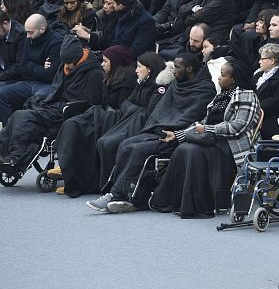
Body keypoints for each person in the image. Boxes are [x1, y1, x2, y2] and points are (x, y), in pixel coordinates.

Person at [87, 53, 217, 213]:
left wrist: (174, 131)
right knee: (125, 144)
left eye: (177, 67)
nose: (173, 71)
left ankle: (115, 195)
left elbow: (193, 115)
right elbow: (162, 110)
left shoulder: (205, 89)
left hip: (177, 136)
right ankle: (124, 192)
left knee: (139, 150)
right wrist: (157, 127)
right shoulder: (177, 84)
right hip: (159, 130)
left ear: (189, 69)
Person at [149, 58, 261, 218]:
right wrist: (178, 134)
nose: (219, 78)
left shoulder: (247, 97)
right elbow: (204, 121)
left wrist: (208, 129)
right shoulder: (221, 95)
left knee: (194, 152)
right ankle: (174, 201)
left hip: (231, 145)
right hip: (211, 138)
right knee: (183, 149)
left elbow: (237, 127)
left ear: (234, 79)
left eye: (223, 75)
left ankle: (198, 205)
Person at [55, 52, 170, 198]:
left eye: (139, 67)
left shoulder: (159, 88)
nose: (136, 70)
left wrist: (133, 108)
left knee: (108, 144)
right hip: (129, 122)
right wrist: (135, 109)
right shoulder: (141, 83)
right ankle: (103, 186)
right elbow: (127, 104)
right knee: (100, 140)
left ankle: (111, 188)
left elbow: (149, 113)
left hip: (142, 127)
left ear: (149, 69)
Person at [0, 35, 105, 178]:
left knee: (24, 117)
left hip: (68, 112)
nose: (66, 66)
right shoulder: (65, 66)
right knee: (18, 115)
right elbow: (55, 90)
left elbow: (88, 101)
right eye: (65, 62)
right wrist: (45, 102)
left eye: (69, 62)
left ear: (77, 58)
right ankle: (4, 153)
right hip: (54, 106)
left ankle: (16, 157)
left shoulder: (94, 73)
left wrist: (54, 105)